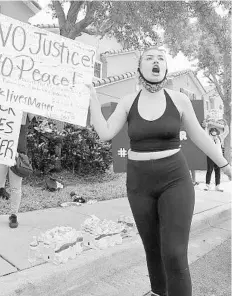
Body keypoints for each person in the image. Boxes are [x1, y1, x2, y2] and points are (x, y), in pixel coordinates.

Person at [87, 47, 231, 296]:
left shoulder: (179, 100)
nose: (156, 62)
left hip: (174, 179)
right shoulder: (128, 101)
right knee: (152, 248)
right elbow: (105, 133)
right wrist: (92, 99)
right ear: (140, 67)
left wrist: (225, 166)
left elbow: (200, 137)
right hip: (138, 182)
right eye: (150, 58)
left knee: (174, 253)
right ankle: (158, 292)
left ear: (165, 68)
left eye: (161, 58)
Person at [0, 112, 34, 228]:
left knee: (16, 188)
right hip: (0, 152)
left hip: (18, 155)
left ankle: (13, 215)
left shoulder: (26, 113)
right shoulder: (2, 109)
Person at [204, 124, 229, 192]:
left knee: (217, 171)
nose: (214, 132)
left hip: (218, 157)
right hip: (210, 156)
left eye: (215, 130)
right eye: (212, 130)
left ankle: (217, 186)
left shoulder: (220, 137)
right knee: (209, 170)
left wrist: (226, 125)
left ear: (217, 132)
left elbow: (226, 132)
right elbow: (205, 132)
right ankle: (207, 185)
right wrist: (206, 126)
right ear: (210, 132)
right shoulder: (208, 138)